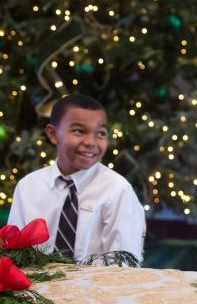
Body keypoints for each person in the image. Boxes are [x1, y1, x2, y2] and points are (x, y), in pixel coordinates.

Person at [8, 94, 146, 264]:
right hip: (36, 287)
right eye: (79, 131)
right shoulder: (28, 187)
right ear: (53, 134)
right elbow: (14, 254)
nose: (91, 142)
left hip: (98, 289)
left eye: (100, 133)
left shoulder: (118, 191)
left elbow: (125, 266)